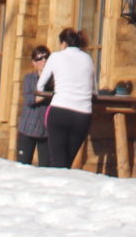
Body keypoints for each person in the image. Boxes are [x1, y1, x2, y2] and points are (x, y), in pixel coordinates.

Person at [37, 28, 97, 170]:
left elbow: (40, 85)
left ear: (63, 43)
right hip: (82, 115)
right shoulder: (88, 59)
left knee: (57, 161)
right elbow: (94, 90)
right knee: (67, 162)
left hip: (60, 110)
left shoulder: (56, 57)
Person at [12, 45, 53, 164]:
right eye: (39, 59)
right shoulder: (29, 78)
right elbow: (29, 99)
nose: (43, 61)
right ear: (34, 63)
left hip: (45, 130)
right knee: (23, 164)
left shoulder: (53, 80)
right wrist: (46, 95)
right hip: (28, 127)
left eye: (46, 58)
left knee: (46, 166)